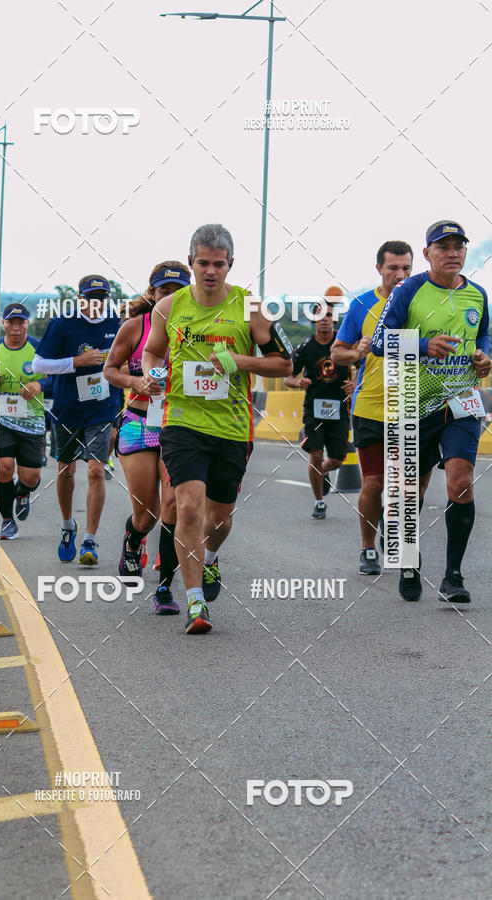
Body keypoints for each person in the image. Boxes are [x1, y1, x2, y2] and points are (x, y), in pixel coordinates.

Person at [142, 224, 292, 634]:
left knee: (220, 520)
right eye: (203, 263)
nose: (211, 271)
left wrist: (238, 362)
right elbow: (152, 352)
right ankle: (194, 605)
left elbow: (284, 364)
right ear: (190, 261)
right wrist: (152, 373)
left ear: (231, 265)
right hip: (182, 421)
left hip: (232, 427)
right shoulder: (169, 307)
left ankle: (209, 558)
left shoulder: (249, 307)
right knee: (187, 506)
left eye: (219, 265)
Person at [371, 220, 491, 603]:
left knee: (460, 480)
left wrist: (485, 355)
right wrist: (423, 346)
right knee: (412, 490)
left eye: (459, 246)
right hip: (413, 401)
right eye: (443, 247)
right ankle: (408, 558)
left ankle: (453, 576)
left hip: (462, 402)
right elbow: (377, 341)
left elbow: (485, 333)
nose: (452, 253)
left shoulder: (478, 295)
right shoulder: (410, 289)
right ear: (427, 254)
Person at [104, 261, 191, 615]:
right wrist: (135, 382)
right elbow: (109, 369)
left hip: (180, 426)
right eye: (163, 291)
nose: (169, 298)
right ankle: (134, 539)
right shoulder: (134, 327)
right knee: (148, 515)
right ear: (152, 293)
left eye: (177, 291)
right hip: (140, 423)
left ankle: (166, 587)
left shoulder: (199, 327)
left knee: (173, 508)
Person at [331, 241, 413, 574]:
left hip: (409, 407)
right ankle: (367, 547)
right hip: (369, 407)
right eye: (393, 268)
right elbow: (337, 352)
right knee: (374, 482)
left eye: (406, 268)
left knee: (404, 483)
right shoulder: (362, 305)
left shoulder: (420, 302)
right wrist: (357, 353)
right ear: (379, 268)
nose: (400, 274)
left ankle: (395, 536)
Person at [33, 275, 121, 565]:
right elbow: (39, 364)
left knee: (96, 471)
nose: (95, 304)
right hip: (68, 408)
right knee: (66, 472)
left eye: (101, 298)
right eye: (90, 298)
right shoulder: (63, 323)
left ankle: (90, 541)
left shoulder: (115, 323)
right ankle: (69, 525)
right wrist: (77, 362)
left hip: (102, 407)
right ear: (80, 298)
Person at [284, 292, 354, 519]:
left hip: (340, 409)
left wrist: (355, 383)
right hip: (313, 410)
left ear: (334, 319)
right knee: (314, 454)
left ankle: (321, 472)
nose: (325, 319)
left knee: (336, 460)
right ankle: (320, 502)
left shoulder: (343, 343)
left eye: (329, 315)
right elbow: (287, 377)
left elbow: (364, 366)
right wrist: (297, 382)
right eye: (320, 315)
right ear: (314, 320)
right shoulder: (305, 348)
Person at [0, 303, 46, 540]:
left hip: (31, 419)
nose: (16, 327)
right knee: (3, 468)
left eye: (21, 322)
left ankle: (23, 493)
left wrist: (40, 384)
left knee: (30, 477)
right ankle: (8, 521)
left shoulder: (38, 348)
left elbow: (55, 377)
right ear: (4, 324)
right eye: (11, 322)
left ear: (27, 324)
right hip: (1, 418)